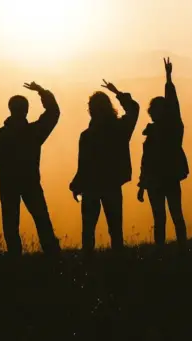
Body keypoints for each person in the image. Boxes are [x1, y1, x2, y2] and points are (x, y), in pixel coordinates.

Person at [0, 82, 62, 256]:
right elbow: (53, 113)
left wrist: (6, 172)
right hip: (30, 181)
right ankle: (52, 253)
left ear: (10, 109)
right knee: (41, 218)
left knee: (10, 221)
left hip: (8, 182)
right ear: (26, 110)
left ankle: (15, 256)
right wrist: (42, 92)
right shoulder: (34, 132)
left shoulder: (1, 134)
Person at [70, 79, 140, 255]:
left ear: (91, 111)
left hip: (91, 186)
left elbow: (83, 164)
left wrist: (76, 185)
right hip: (112, 184)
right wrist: (117, 92)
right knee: (115, 228)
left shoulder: (87, 135)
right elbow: (134, 110)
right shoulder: (120, 128)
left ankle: (87, 263)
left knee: (88, 230)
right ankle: (118, 263)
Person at [137, 57, 190, 249]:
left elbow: (173, 104)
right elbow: (145, 162)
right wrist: (142, 185)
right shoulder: (154, 133)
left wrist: (168, 79)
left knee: (174, 215)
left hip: (167, 178)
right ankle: (166, 251)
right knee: (161, 218)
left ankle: (179, 250)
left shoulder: (172, 127)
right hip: (157, 180)